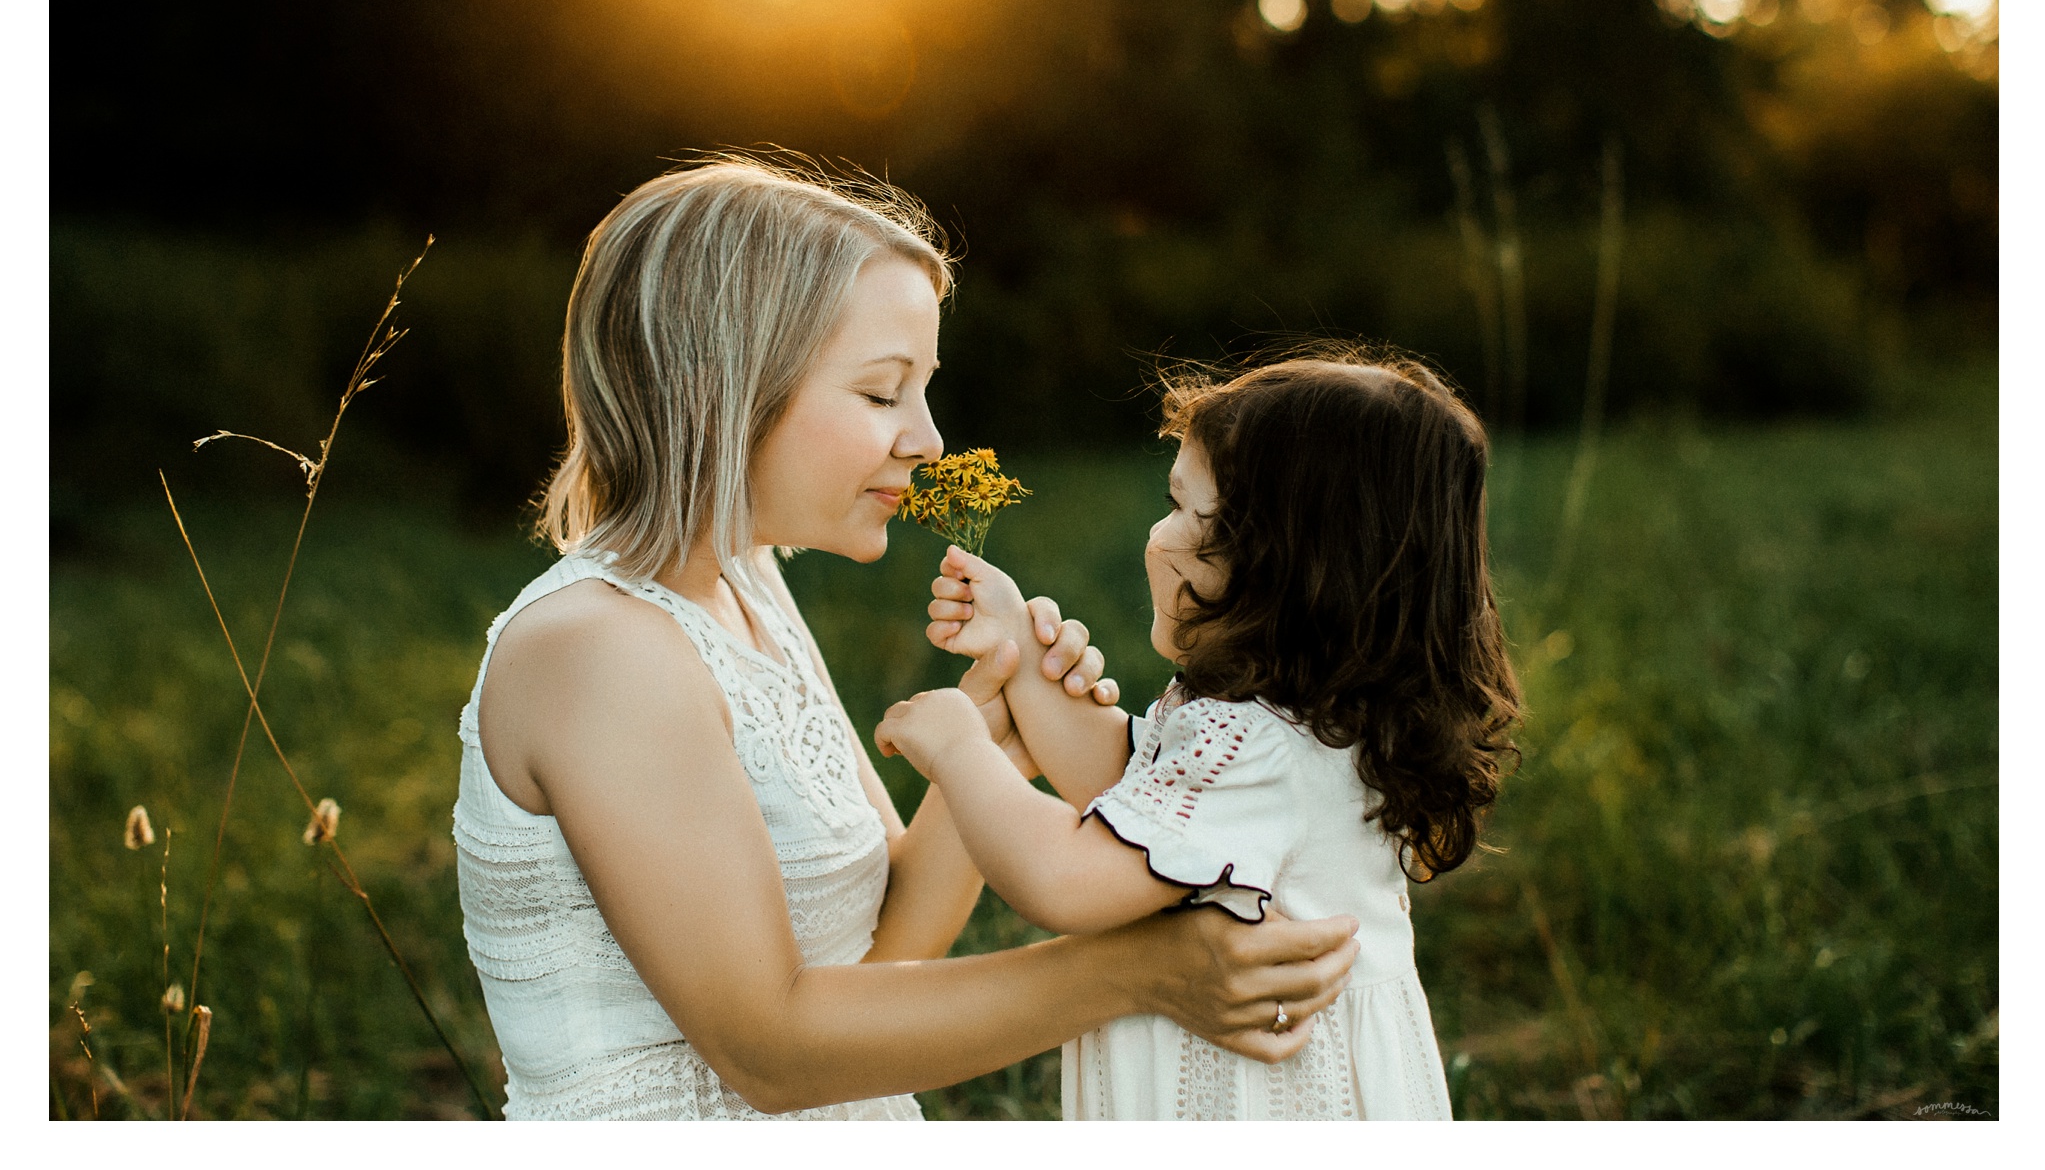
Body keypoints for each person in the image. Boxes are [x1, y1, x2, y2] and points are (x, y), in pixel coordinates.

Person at [450, 158, 1362, 1120]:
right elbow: (770, 1050)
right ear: (717, 390)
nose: (927, 438)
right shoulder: (597, 651)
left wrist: (990, 739)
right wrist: (1139, 971)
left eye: (923, 389)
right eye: (883, 394)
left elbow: (885, 951)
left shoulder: (748, 591)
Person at [877, 352, 1526, 1119]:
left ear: (1284, 565)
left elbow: (1064, 878)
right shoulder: (1306, 724)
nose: (1158, 534)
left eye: (1191, 513)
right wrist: (1015, 640)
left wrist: (960, 749)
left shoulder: (1260, 747)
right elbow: (1130, 784)